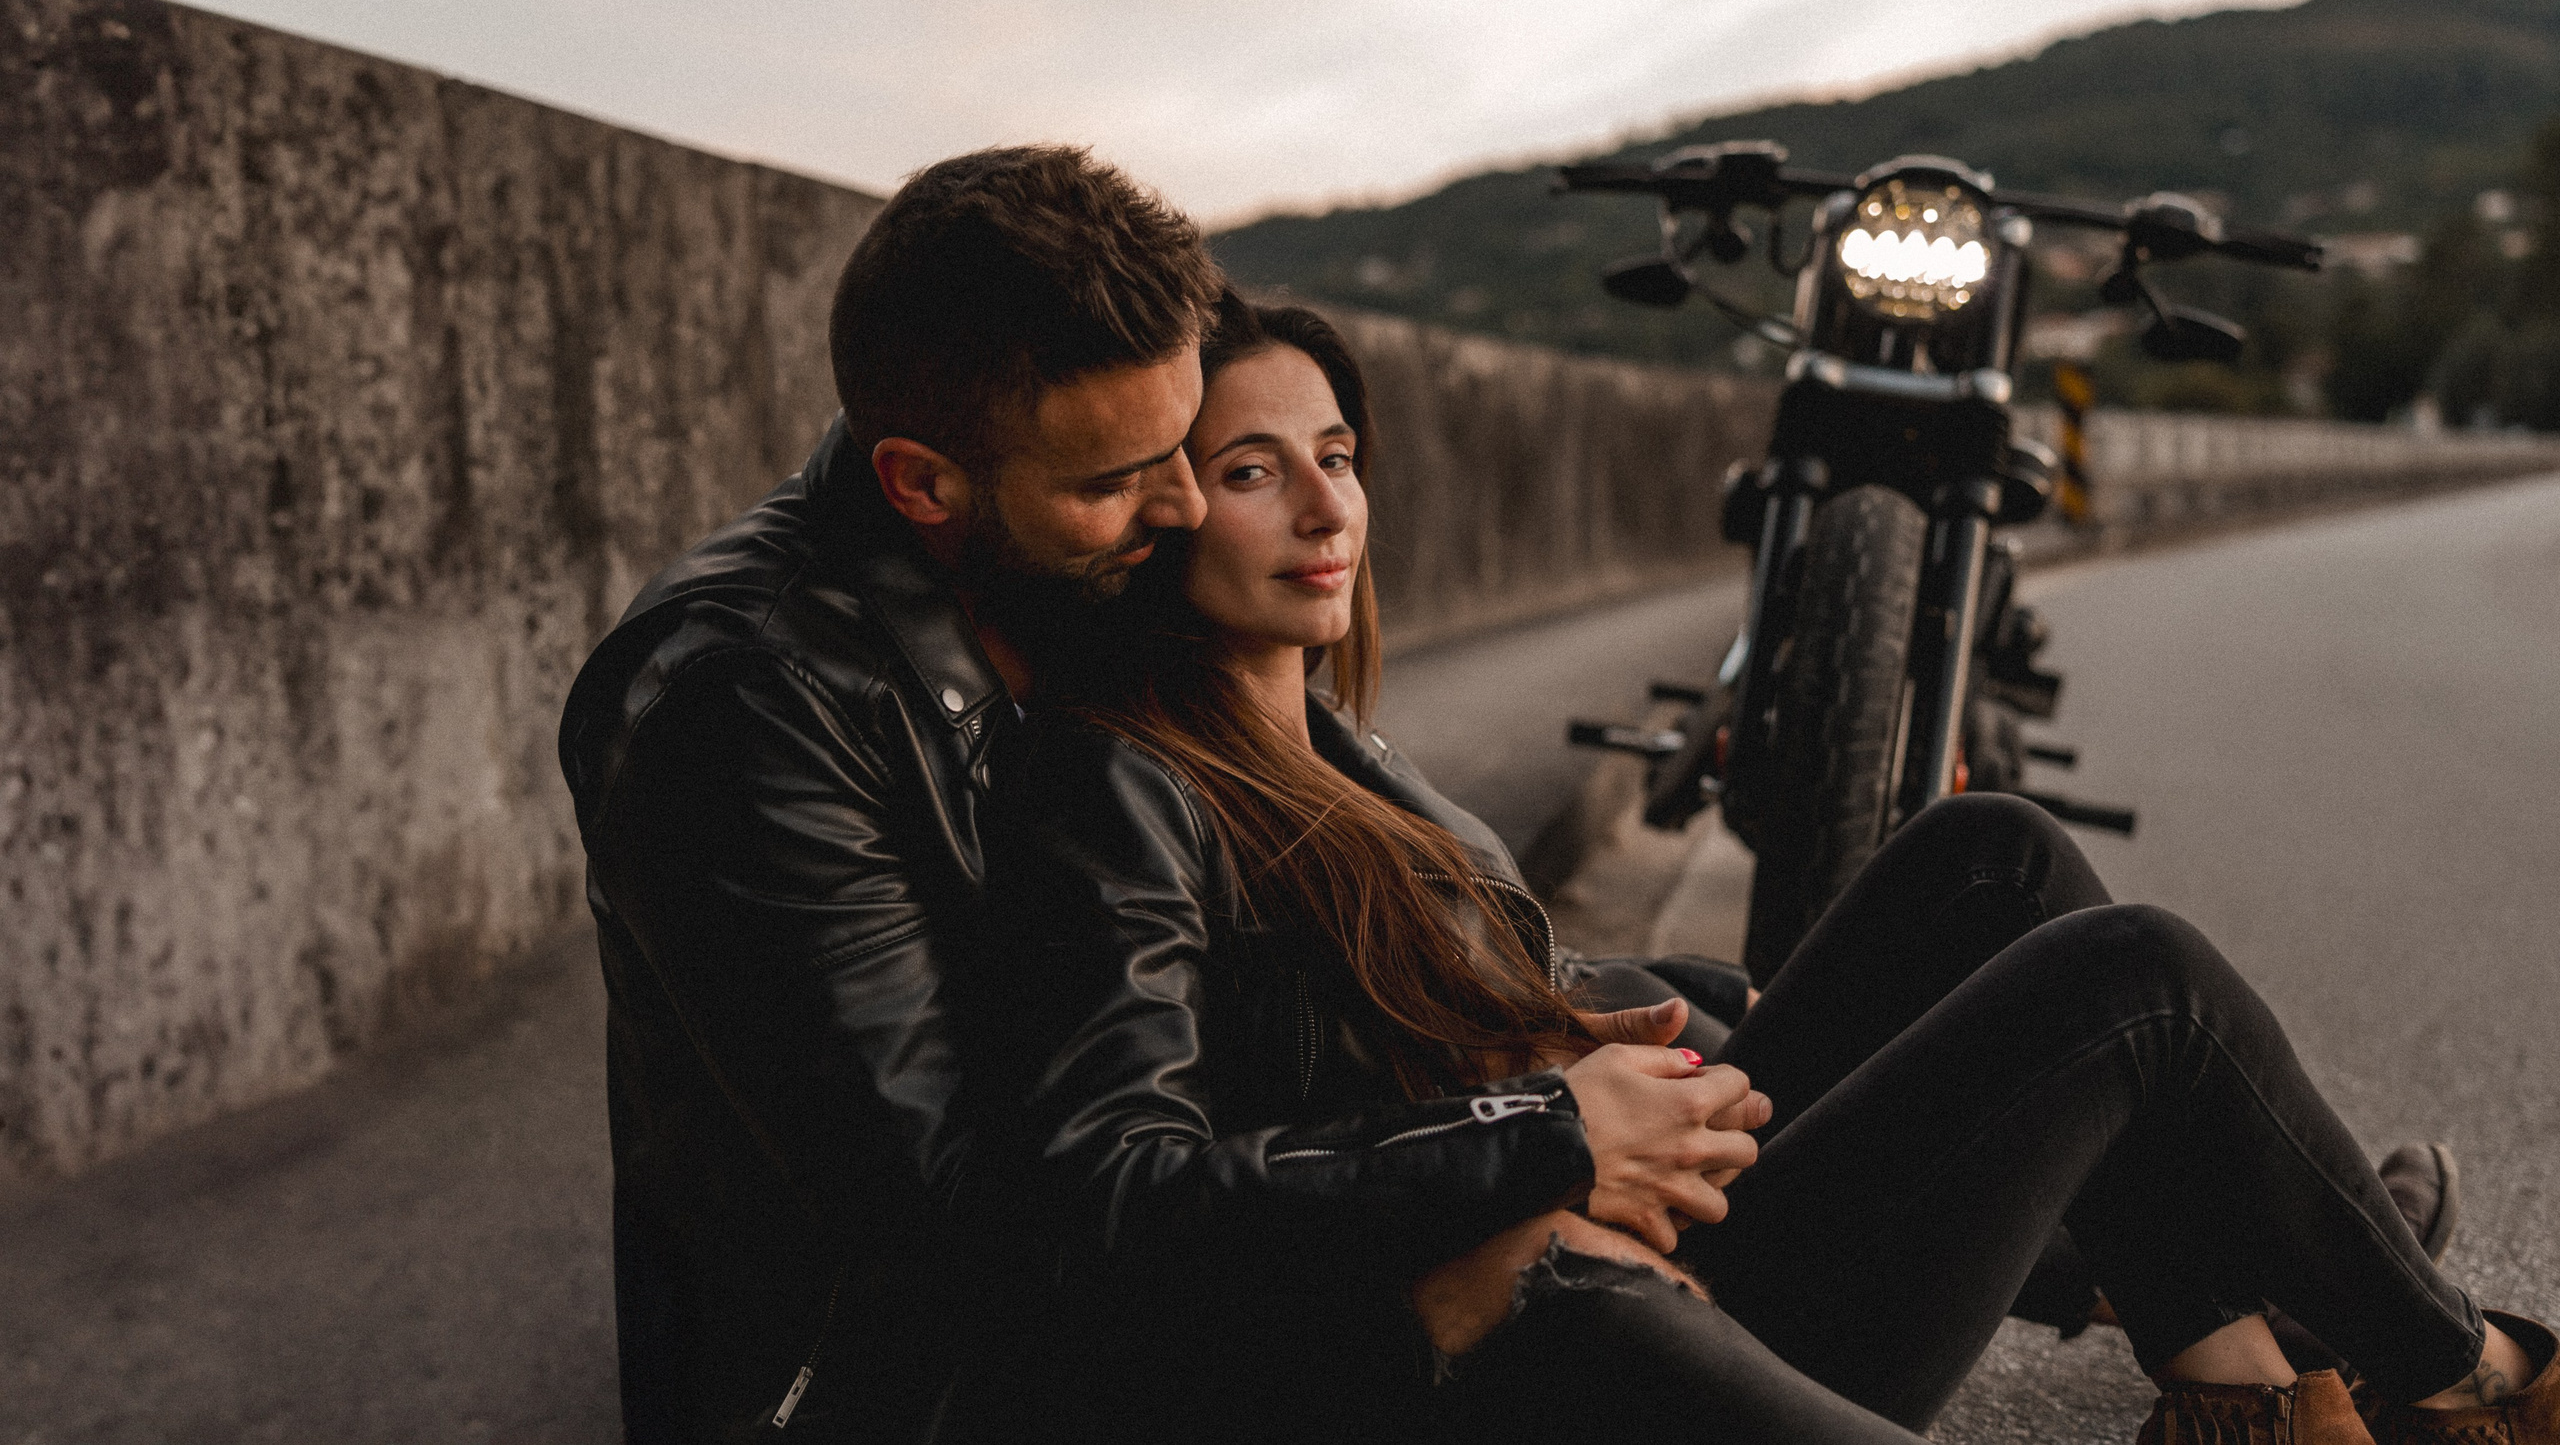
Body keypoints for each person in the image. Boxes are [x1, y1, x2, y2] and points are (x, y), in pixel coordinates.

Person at [985, 298, 2556, 1445]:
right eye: (1255, 470)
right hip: (1637, 1295)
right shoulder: (1133, 782)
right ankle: (2451, 1359)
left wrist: (1648, 1012)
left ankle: (2247, 1355)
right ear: (1161, 510)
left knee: (1989, 856)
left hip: (1635, 1180)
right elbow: (1125, 1186)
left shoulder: (1324, 737)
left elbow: (1446, 997)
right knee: (2139, 984)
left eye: (1336, 452)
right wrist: (1545, 1127)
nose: (1329, 505)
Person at [556, 145, 1228, 1442]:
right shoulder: (735, 700)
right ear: (922, 481)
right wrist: (1435, 1183)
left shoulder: (1075, 569)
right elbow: (942, 1204)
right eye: (1111, 481)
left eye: (1186, 445)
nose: (1188, 504)